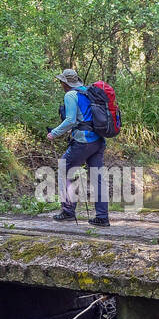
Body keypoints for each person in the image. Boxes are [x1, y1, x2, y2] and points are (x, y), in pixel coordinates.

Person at [46, 68, 110, 226]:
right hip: (98, 140)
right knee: (97, 177)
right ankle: (102, 217)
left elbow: (70, 120)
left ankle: (68, 211)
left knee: (64, 168)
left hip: (83, 141)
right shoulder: (88, 92)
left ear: (64, 83)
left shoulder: (70, 95)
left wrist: (54, 133)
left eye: (61, 81)